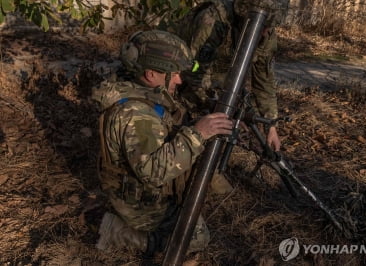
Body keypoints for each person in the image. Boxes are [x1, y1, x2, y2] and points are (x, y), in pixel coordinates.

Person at [91, 30, 233, 256]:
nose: (179, 79)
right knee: (195, 239)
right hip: (139, 200)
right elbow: (153, 173)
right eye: (173, 73)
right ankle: (115, 231)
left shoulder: (141, 90)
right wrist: (197, 134)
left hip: (137, 186)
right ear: (150, 74)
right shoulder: (136, 114)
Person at [167, 0, 289, 152]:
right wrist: (220, 108)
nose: (265, 32)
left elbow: (264, 81)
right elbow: (193, 68)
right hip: (177, 73)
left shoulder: (266, 34)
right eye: (263, 26)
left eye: (268, 26)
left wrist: (270, 126)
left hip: (217, 78)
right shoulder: (214, 19)